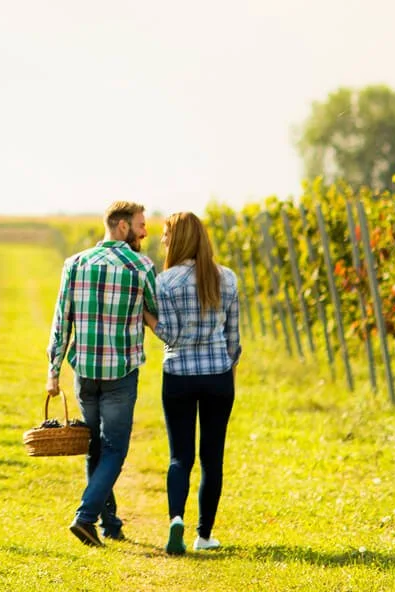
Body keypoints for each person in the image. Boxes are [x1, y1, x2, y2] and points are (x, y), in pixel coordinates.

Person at [46, 200, 158, 546]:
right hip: (120, 373)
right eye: (141, 223)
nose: (145, 230)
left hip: (85, 372)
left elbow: (61, 320)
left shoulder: (75, 264)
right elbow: (158, 318)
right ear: (122, 227)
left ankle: (109, 523)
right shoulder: (141, 266)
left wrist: (53, 371)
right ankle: (85, 517)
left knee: (95, 446)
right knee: (115, 450)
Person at [152, 210, 240, 556]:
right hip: (218, 376)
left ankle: (176, 519)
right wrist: (226, 374)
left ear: (178, 239)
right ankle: (204, 537)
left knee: (180, 457)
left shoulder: (166, 282)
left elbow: (170, 335)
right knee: (212, 458)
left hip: (178, 376)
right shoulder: (228, 279)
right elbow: (234, 338)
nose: (162, 240)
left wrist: (148, 320)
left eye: (165, 234)